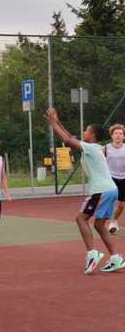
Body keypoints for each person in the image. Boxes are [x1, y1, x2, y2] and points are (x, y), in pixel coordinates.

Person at [46, 108, 125, 273]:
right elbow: (70, 137)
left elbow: (68, 140)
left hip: (101, 191)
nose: (83, 132)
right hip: (111, 190)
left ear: (93, 136)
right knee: (98, 224)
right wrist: (57, 120)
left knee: (81, 219)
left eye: (86, 130)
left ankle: (92, 253)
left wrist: (53, 123)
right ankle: (116, 258)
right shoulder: (91, 147)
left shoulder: (92, 148)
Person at [104, 124, 125, 234]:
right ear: (112, 136)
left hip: (123, 178)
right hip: (110, 178)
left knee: (121, 205)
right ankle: (107, 222)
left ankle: (114, 220)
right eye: (116, 133)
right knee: (110, 200)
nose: (118, 135)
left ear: (123, 137)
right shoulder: (106, 148)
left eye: (120, 133)